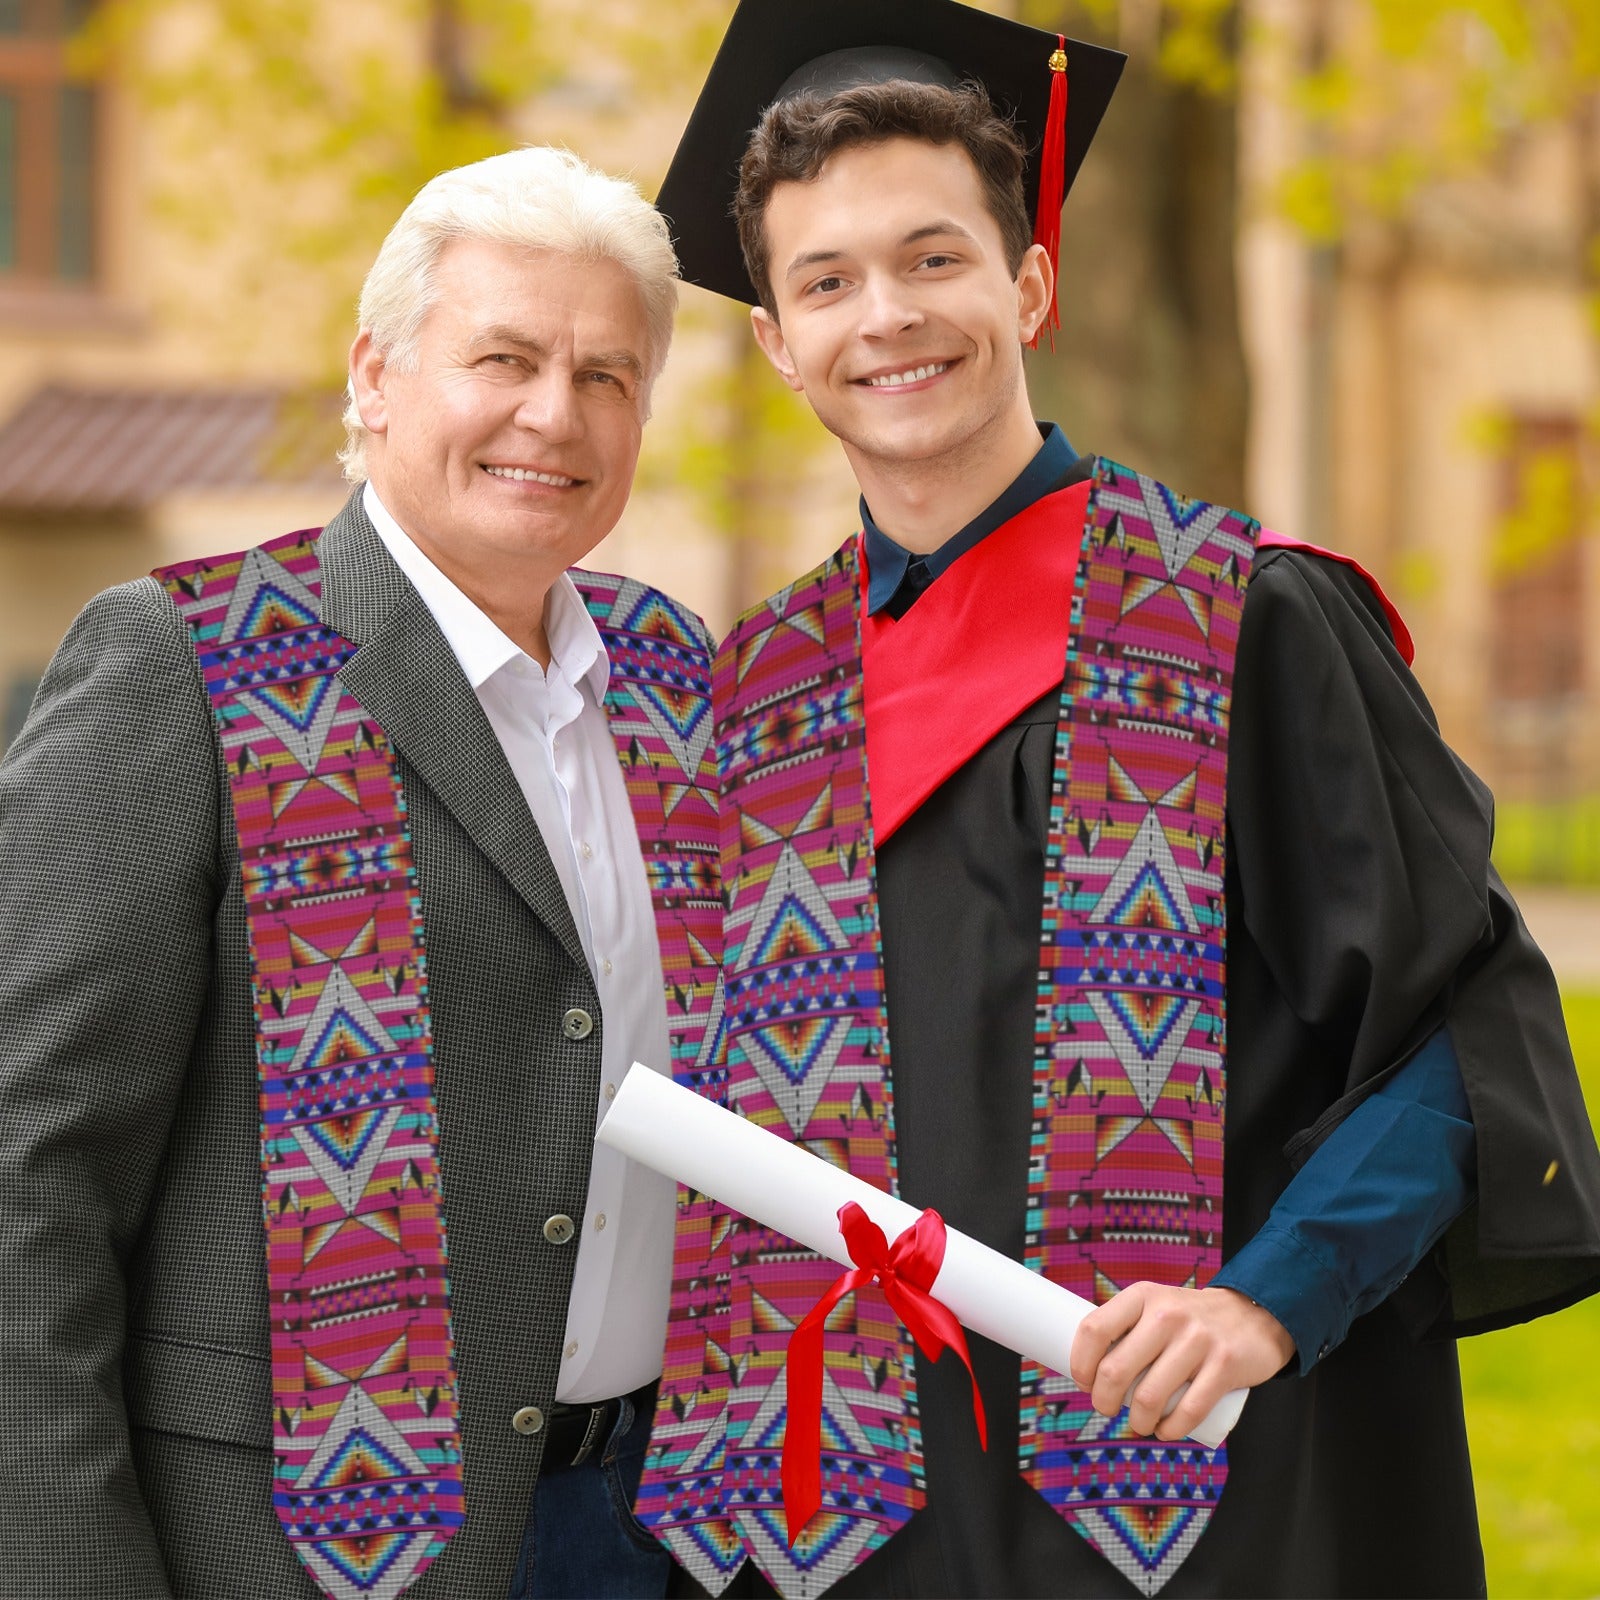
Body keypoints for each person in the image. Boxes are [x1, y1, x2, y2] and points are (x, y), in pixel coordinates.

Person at [630, 3, 1600, 1597]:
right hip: (855, 1528)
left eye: (935, 259)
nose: (888, 316)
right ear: (778, 342)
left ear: (1028, 282)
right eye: (828, 281)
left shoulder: (1245, 622)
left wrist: (1268, 1299)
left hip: (1203, 1495)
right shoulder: (758, 697)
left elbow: (1461, 1034)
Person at [0, 146, 720, 1600]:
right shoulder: (191, 664)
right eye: (503, 357)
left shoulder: (673, 678)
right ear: (375, 377)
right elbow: (29, 1173)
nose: (552, 414)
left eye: (605, 375)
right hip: (296, 1550)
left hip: (652, 1530)